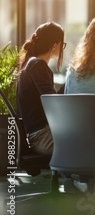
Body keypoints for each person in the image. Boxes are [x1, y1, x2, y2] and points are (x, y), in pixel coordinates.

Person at [16, 22, 65, 155]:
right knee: (88, 144)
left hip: (38, 135)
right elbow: (52, 104)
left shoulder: (32, 63)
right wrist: (70, 84)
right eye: (63, 44)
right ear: (55, 45)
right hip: (42, 138)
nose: (62, 48)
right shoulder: (38, 65)